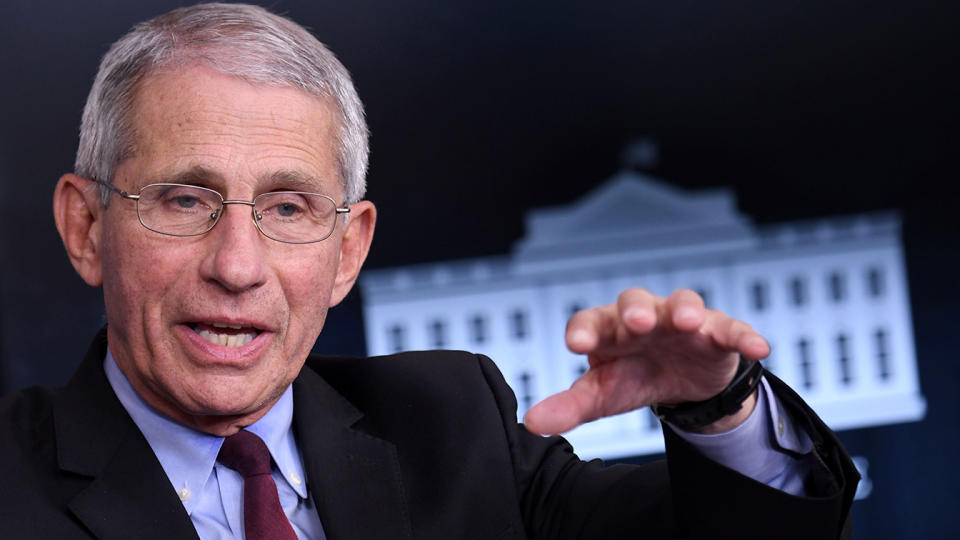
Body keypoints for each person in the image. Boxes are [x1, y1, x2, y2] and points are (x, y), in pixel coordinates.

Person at [0, 3, 858, 539]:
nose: (237, 266)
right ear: (85, 227)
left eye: (290, 209)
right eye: (186, 199)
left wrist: (717, 410)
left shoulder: (452, 422)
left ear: (349, 250)